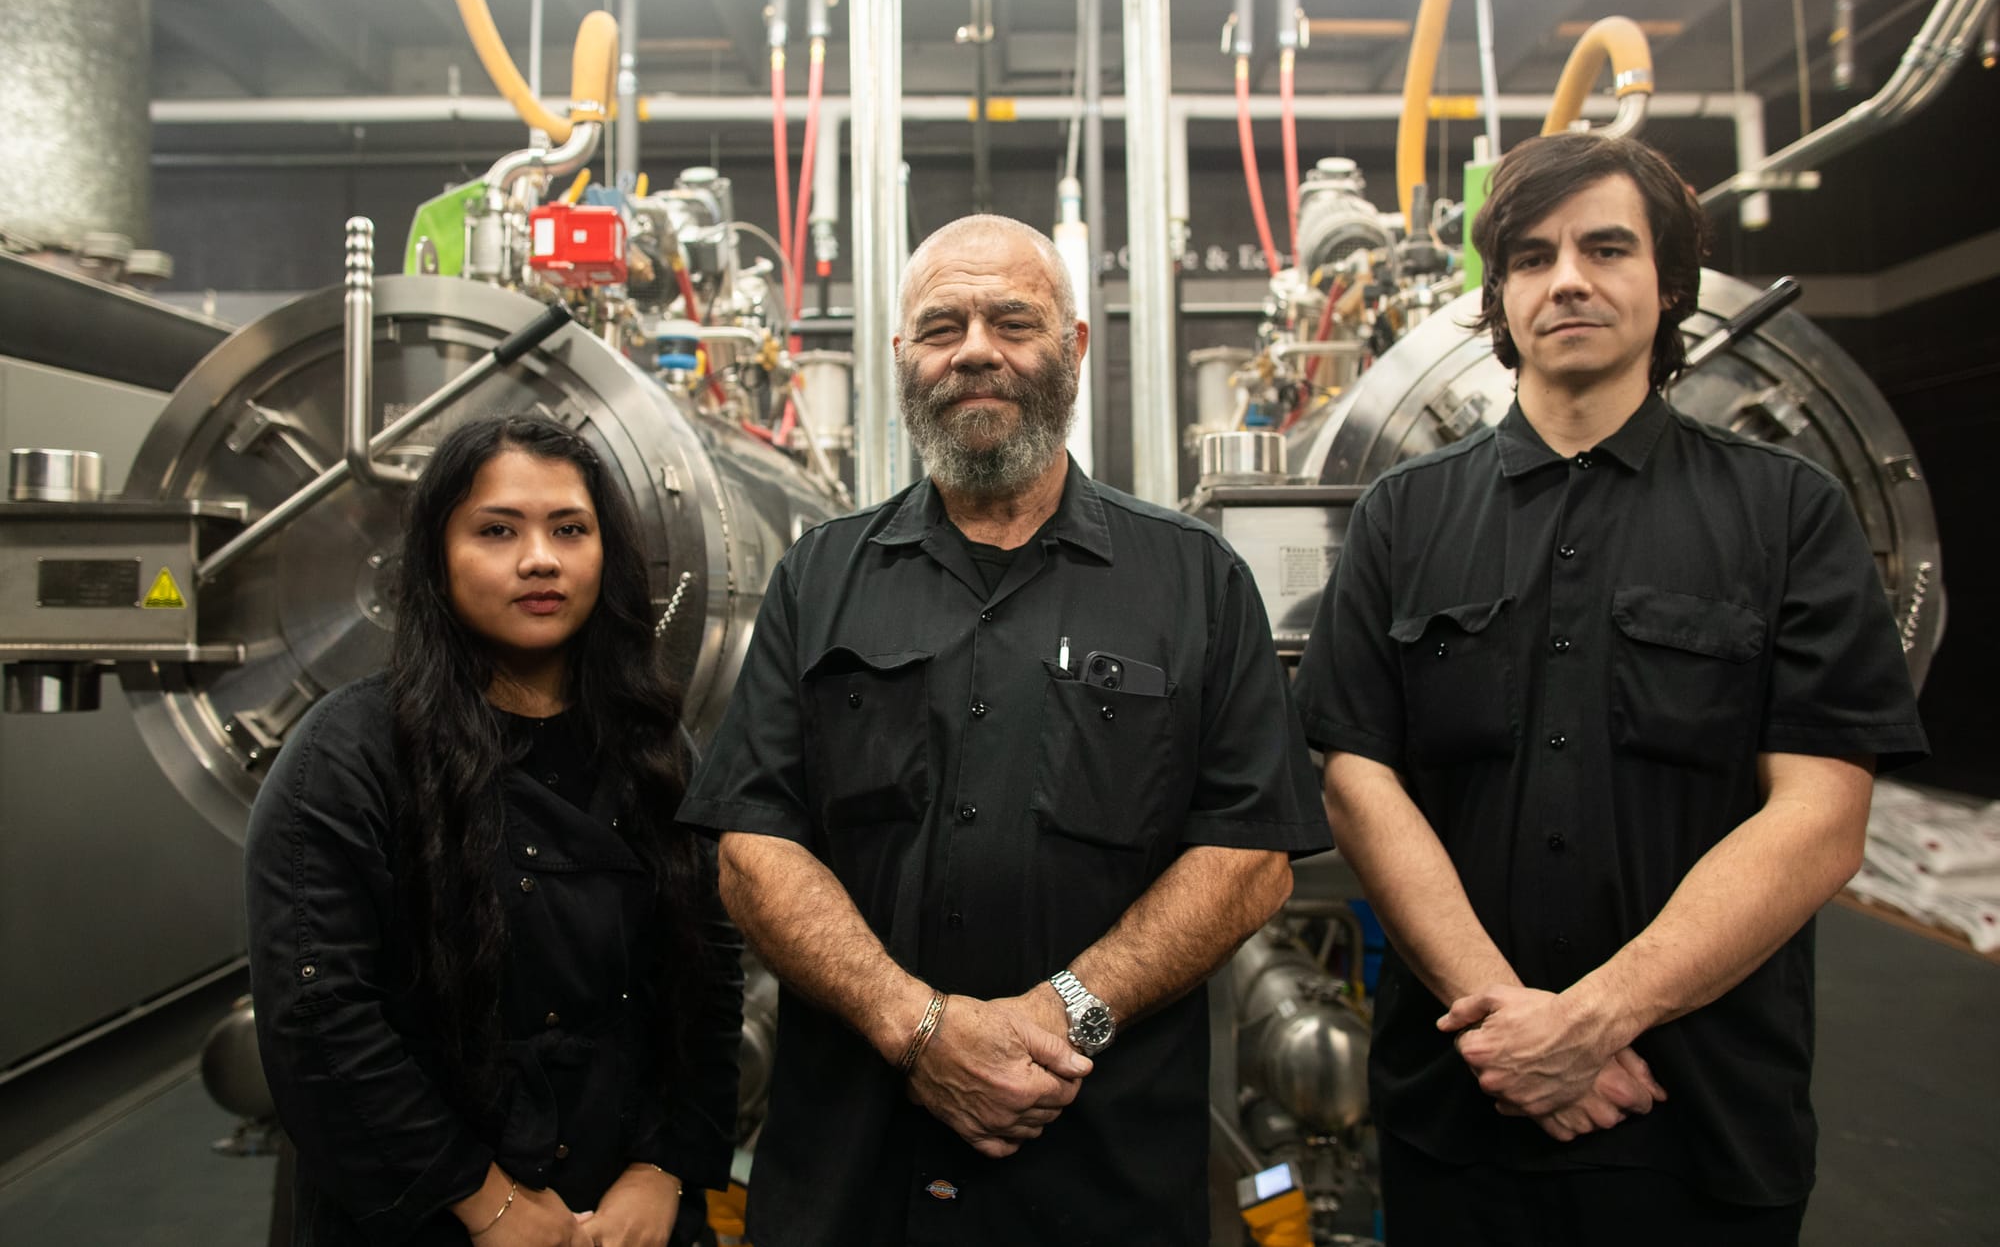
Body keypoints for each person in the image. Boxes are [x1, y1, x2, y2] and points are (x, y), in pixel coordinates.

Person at [1293, 132, 1928, 1244]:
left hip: (1698, 1115)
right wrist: (1515, 1033)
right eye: (1531, 257)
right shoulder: (1401, 514)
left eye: (1604, 247)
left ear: (1668, 280)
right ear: (1497, 296)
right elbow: (1357, 780)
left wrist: (1590, 1022)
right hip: (1461, 1107)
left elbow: (1821, 818)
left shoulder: (1788, 516)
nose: (1567, 279)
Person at [678, 214, 1329, 1245]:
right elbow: (753, 847)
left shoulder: (1191, 579)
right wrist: (916, 1026)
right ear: (901, 360)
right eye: (941, 326)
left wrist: (1061, 1012)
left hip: (1099, 1174)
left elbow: (1249, 855)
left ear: (1072, 348)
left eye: (1010, 320)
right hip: (854, 1184)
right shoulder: (819, 577)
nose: (974, 347)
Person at [246, 414, 743, 1247]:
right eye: (497, 529)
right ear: (437, 557)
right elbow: (320, 1016)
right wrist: (487, 1202)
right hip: (427, 1211)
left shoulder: (654, 748)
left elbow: (709, 973)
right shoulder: (347, 757)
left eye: (569, 529)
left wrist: (663, 1168)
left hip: (624, 1210)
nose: (540, 557)